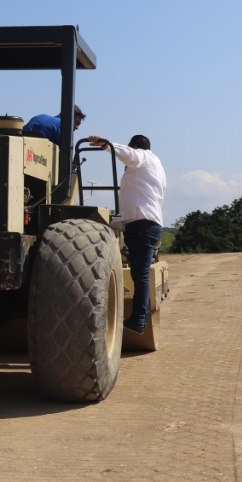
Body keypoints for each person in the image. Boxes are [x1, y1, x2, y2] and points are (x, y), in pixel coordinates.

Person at [88, 133, 166, 334]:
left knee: (140, 275)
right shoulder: (154, 165)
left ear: (135, 147)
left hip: (143, 225)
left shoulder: (143, 157)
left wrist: (106, 145)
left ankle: (139, 320)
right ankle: (138, 318)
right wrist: (118, 221)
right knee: (139, 274)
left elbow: (130, 154)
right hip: (144, 224)